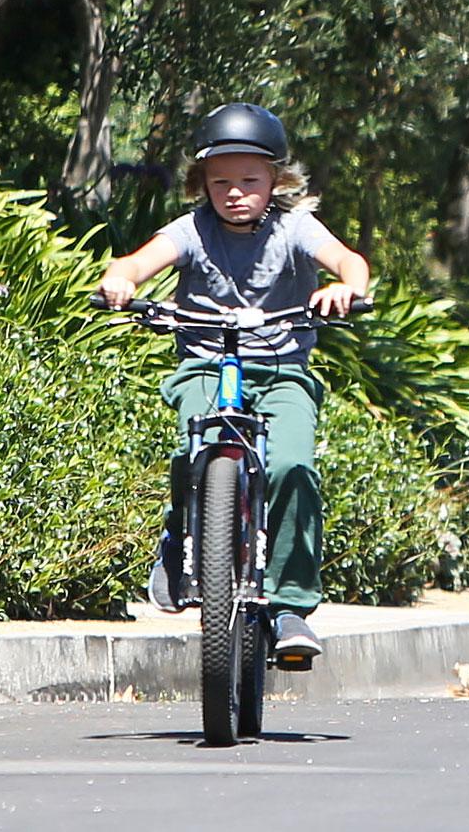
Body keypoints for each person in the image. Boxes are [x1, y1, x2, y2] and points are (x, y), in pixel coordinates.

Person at [97, 102, 370, 661]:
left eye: (250, 179)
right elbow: (132, 264)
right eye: (220, 181)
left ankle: (290, 604)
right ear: (202, 184)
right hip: (205, 365)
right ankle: (180, 543)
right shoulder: (191, 230)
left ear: (277, 179)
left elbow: (350, 261)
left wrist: (343, 288)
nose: (236, 192)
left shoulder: (295, 227)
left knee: (293, 464)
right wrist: (119, 283)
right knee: (188, 448)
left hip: (281, 370)